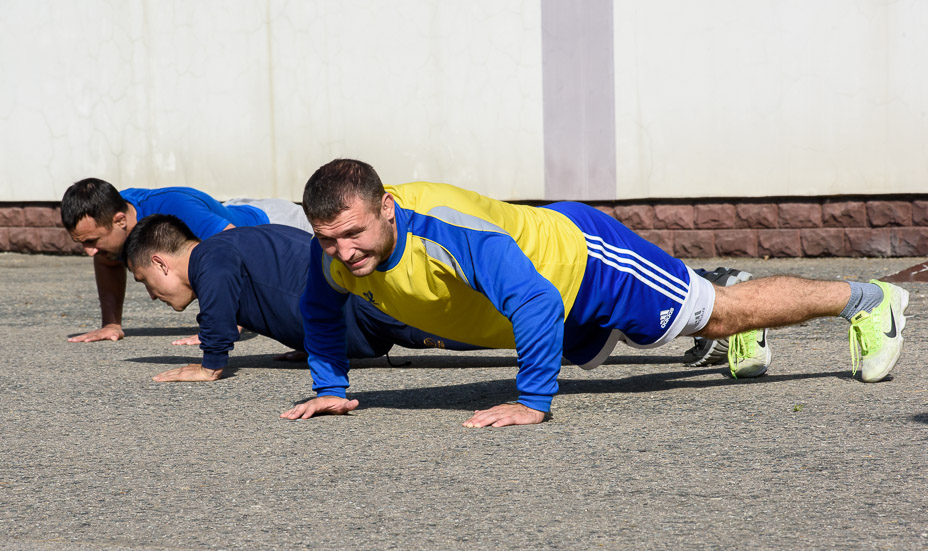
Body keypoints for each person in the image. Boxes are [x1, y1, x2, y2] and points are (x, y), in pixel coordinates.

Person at [281, 158, 909, 428]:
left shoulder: (445, 229)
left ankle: (867, 299)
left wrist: (532, 402)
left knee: (719, 317)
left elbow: (534, 302)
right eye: (328, 240)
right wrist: (332, 390)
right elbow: (319, 310)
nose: (343, 253)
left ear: (387, 208)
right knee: (692, 322)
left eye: (353, 235)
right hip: (551, 290)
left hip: (586, 262)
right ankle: (720, 302)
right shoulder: (333, 251)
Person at [121, 214, 482, 382]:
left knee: (476, 330)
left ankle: (536, 332)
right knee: (470, 322)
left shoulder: (209, 256)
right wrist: (312, 343)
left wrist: (210, 363)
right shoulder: (237, 242)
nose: (152, 296)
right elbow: (286, 279)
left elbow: (220, 306)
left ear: (160, 262)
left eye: (144, 281)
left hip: (365, 310)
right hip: (358, 310)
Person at [60, 178, 311, 344]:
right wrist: (111, 324)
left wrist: (223, 322)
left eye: (92, 241)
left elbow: (234, 252)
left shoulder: (176, 207)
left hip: (276, 224)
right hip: (227, 213)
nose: (89, 251)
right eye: (81, 243)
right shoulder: (112, 212)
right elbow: (108, 261)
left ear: (120, 221)